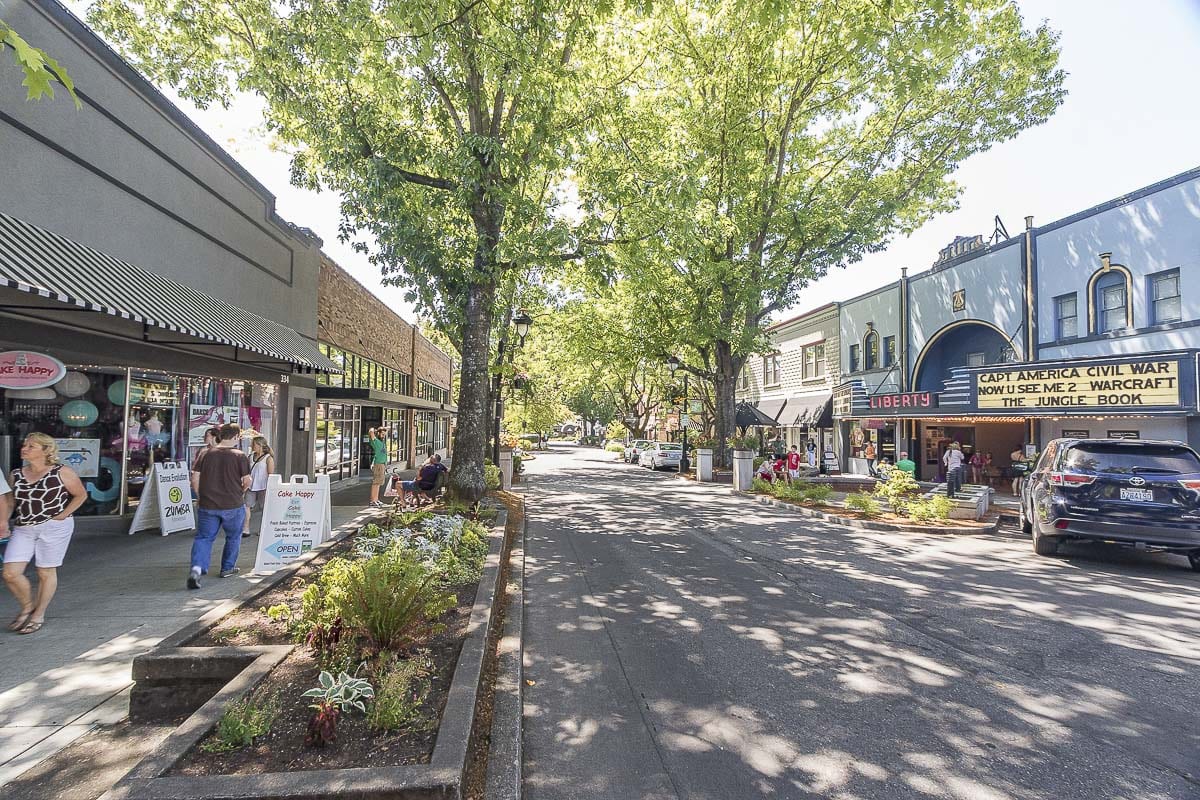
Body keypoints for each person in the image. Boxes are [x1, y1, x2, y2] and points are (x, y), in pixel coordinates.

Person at [3, 434, 87, 634]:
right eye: (25, 444)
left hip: (54, 527)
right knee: (10, 573)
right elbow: (10, 501)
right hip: (24, 526)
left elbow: (80, 494)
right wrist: (4, 521)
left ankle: (38, 614)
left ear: (46, 450)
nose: (25, 448)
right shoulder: (17, 473)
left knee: (45, 571)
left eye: (31, 446)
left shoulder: (62, 472)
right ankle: (27, 606)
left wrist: (64, 514)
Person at [188, 424, 251, 589]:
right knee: (233, 536)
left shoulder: (205, 454)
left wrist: (201, 496)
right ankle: (227, 567)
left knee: (204, 538)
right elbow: (247, 481)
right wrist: (240, 492)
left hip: (208, 504)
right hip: (232, 504)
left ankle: (196, 570)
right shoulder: (240, 455)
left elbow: (195, 479)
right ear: (236, 437)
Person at [242, 437, 274, 537]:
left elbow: (271, 473)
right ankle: (245, 528)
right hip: (251, 486)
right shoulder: (250, 456)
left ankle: (263, 529)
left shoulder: (268, 458)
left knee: (264, 508)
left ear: (260, 445)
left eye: (254, 444)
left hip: (263, 486)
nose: (252, 446)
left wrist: (270, 487)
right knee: (247, 506)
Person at [368, 427, 388, 508]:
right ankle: (373, 501)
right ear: (378, 433)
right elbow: (371, 432)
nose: (383, 436)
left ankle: (376, 499)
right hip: (378, 464)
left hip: (382, 464)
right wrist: (374, 429)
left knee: (379, 483)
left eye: (384, 435)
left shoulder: (381, 442)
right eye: (382, 434)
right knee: (376, 482)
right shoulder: (375, 441)